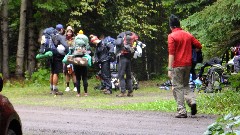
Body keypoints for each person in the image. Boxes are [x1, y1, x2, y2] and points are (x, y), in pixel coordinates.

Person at [167, 14, 202, 118]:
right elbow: (199, 45)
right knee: (185, 85)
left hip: (177, 65)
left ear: (171, 26)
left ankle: (181, 111)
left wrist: (169, 68)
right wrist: (194, 51)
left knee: (177, 87)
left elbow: (171, 53)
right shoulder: (188, 34)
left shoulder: (172, 36)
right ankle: (192, 101)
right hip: (188, 64)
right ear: (179, 24)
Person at [115, 31, 138, 97]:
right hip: (129, 58)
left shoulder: (121, 36)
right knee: (129, 76)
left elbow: (118, 43)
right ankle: (130, 92)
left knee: (121, 75)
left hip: (122, 58)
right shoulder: (132, 37)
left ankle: (123, 92)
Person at [71, 31, 92, 97]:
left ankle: (78, 93)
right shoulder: (86, 43)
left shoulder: (75, 42)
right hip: (84, 61)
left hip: (76, 62)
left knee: (77, 78)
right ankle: (85, 93)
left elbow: (71, 51)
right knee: (84, 77)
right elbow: (90, 52)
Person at [49, 24, 69, 95]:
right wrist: (67, 53)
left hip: (51, 55)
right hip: (57, 56)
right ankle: (55, 90)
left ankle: (51, 88)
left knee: (52, 72)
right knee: (56, 73)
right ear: (61, 29)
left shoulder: (52, 36)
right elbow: (66, 46)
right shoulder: (60, 36)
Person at [64, 26, 77, 92]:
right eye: (68, 31)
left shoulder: (74, 39)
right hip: (66, 57)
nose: (69, 33)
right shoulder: (64, 38)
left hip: (73, 57)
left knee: (73, 72)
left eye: (70, 31)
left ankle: (75, 86)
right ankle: (67, 86)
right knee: (67, 72)